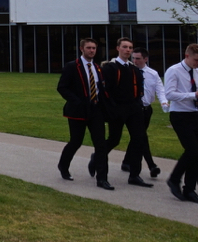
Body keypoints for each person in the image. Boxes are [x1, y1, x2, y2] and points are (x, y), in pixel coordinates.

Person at [56, 38, 113, 190]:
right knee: (76, 141)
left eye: (94, 48)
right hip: (78, 111)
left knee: (100, 145)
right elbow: (62, 87)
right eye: (89, 48)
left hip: (96, 110)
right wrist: (77, 101)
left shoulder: (97, 68)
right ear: (82, 49)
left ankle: (102, 178)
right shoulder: (72, 66)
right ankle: (63, 165)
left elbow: (101, 89)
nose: (92, 51)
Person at [164, 43, 198, 204]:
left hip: (194, 115)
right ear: (187, 56)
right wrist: (193, 94)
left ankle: (190, 189)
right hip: (179, 115)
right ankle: (174, 178)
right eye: (196, 60)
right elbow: (170, 94)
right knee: (192, 150)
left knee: (197, 155)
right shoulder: (174, 71)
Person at [100, 38, 151, 187]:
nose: (128, 50)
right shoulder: (110, 67)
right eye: (125, 47)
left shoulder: (134, 69)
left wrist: (138, 104)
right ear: (118, 48)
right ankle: (98, 158)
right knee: (114, 139)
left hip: (133, 109)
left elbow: (139, 89)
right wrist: (112, 109)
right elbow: (106, 90)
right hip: (117, 109)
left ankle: (135, 174)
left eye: (130, 47)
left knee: (138, 139)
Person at [122, 47, 169, 178]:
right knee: (141, 137)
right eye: (133, 58)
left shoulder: (152, 74)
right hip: (134, 110)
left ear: (145, 59)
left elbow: (160, 89)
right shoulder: (129, 71)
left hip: (146, 110)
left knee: (137, 137)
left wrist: (164, 102)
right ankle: (151, 165)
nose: (135, 61)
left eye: (138, 58)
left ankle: (126, 161)